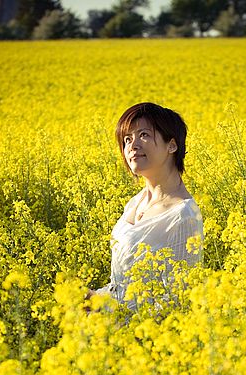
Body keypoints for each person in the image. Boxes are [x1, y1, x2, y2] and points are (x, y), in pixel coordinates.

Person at [85, 102, 203, 313]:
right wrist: (96, 300)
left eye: (144, 135)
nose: (132, 145)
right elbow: (122, 286)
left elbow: (180, 300)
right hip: (110, 329)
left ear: (172, 145)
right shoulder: (136, 201)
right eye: (127, 139)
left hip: (140, 337)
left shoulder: (183, 215)